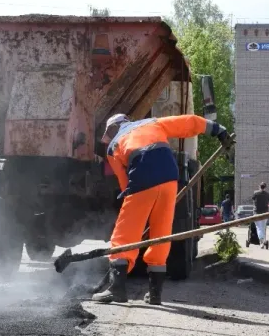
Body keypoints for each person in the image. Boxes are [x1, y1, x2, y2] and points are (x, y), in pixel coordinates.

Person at [92, 113, 232, 305]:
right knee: (161, 234)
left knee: (124, 234)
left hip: (141, 179)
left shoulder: (113, 146)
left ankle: (117, 289)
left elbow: (124, 183)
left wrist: (136, 209)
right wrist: (219, 130)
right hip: (169, 179)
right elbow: (189, 122)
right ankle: (155, 294)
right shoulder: (152, 123)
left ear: (113, 129)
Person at [252, 182, 269, 248]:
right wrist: (267, 210)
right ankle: (263, 241)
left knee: (259, 227)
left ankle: (261, 241)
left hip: (256, 213)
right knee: (263, 228)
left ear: (259, 186)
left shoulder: (256, 193)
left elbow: (253, 201)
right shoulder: (267, 194)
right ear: (265, 187)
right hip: (265, 213)